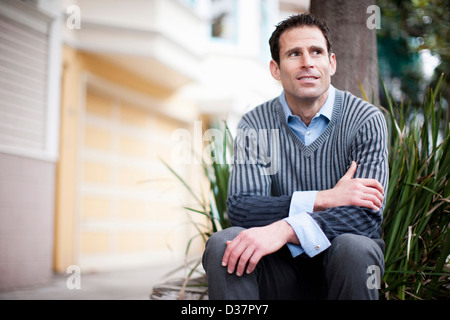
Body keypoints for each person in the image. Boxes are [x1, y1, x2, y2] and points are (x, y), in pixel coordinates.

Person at [202, 13, 389, 300]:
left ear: (332, 63)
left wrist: (286, 228)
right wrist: (324, 198)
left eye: (316, 52)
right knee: (223, 244)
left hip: (343, 264)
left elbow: (364, 215)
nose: (307, 63)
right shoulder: (255, 124)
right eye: (294, 54)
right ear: (276, 69)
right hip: (278, 268)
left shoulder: (365, 119)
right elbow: (243, 208)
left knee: (355, 247)